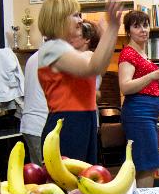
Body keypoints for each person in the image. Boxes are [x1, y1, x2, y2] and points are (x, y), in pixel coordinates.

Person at [37, 0, 122, 164]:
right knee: (71, 179)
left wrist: (112, 29)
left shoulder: (66, 49)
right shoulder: (52, 47)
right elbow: (93, 67)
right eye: (75, 15)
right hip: (68, 124)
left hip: (83, 122)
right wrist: (111, 28)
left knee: (86, 177)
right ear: (59, 18)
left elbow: (100, 67)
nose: (80, 20)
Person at [20, 19, 103, 164]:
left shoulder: (38, 55)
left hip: (32, 123)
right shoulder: (68, 58)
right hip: (51, 124)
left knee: (42, 174)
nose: (72, 37)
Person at [118, 10, 159, 188]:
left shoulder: (142, 54)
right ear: (128, 31)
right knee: (146, 163)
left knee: (145, 162)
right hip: (139, 114)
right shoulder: (128, 53)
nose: (143, 30)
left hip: (146, 115)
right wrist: (153, 75)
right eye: (136, 26)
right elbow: (125, 86)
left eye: (145, 25)